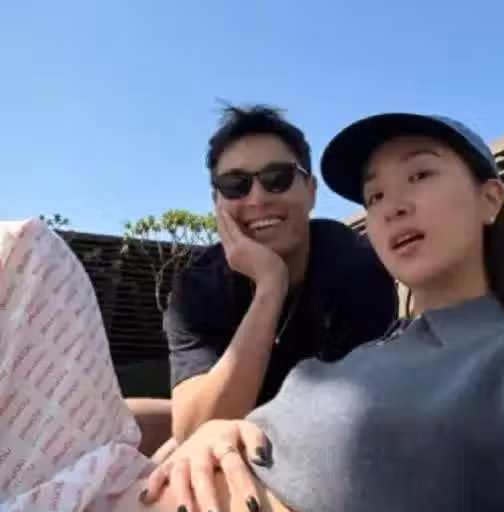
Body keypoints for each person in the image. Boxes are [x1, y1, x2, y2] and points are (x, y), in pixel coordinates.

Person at [1, 110, 504, 512]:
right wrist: (224, 431)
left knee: (27, 250)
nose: (392, 205)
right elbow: (215, 425)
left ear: (491, 199)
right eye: (374, 195)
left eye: (419, 174)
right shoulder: (379, 350)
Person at [162, 105, 398, 443]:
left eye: (278, 179)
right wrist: (270, 286)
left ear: (311, 191)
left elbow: (353, 420)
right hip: (232, 431)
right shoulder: (197, 286)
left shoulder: (356, 265)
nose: (257, 199)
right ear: (217, 202)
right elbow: (195, 434)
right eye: (235, 185)